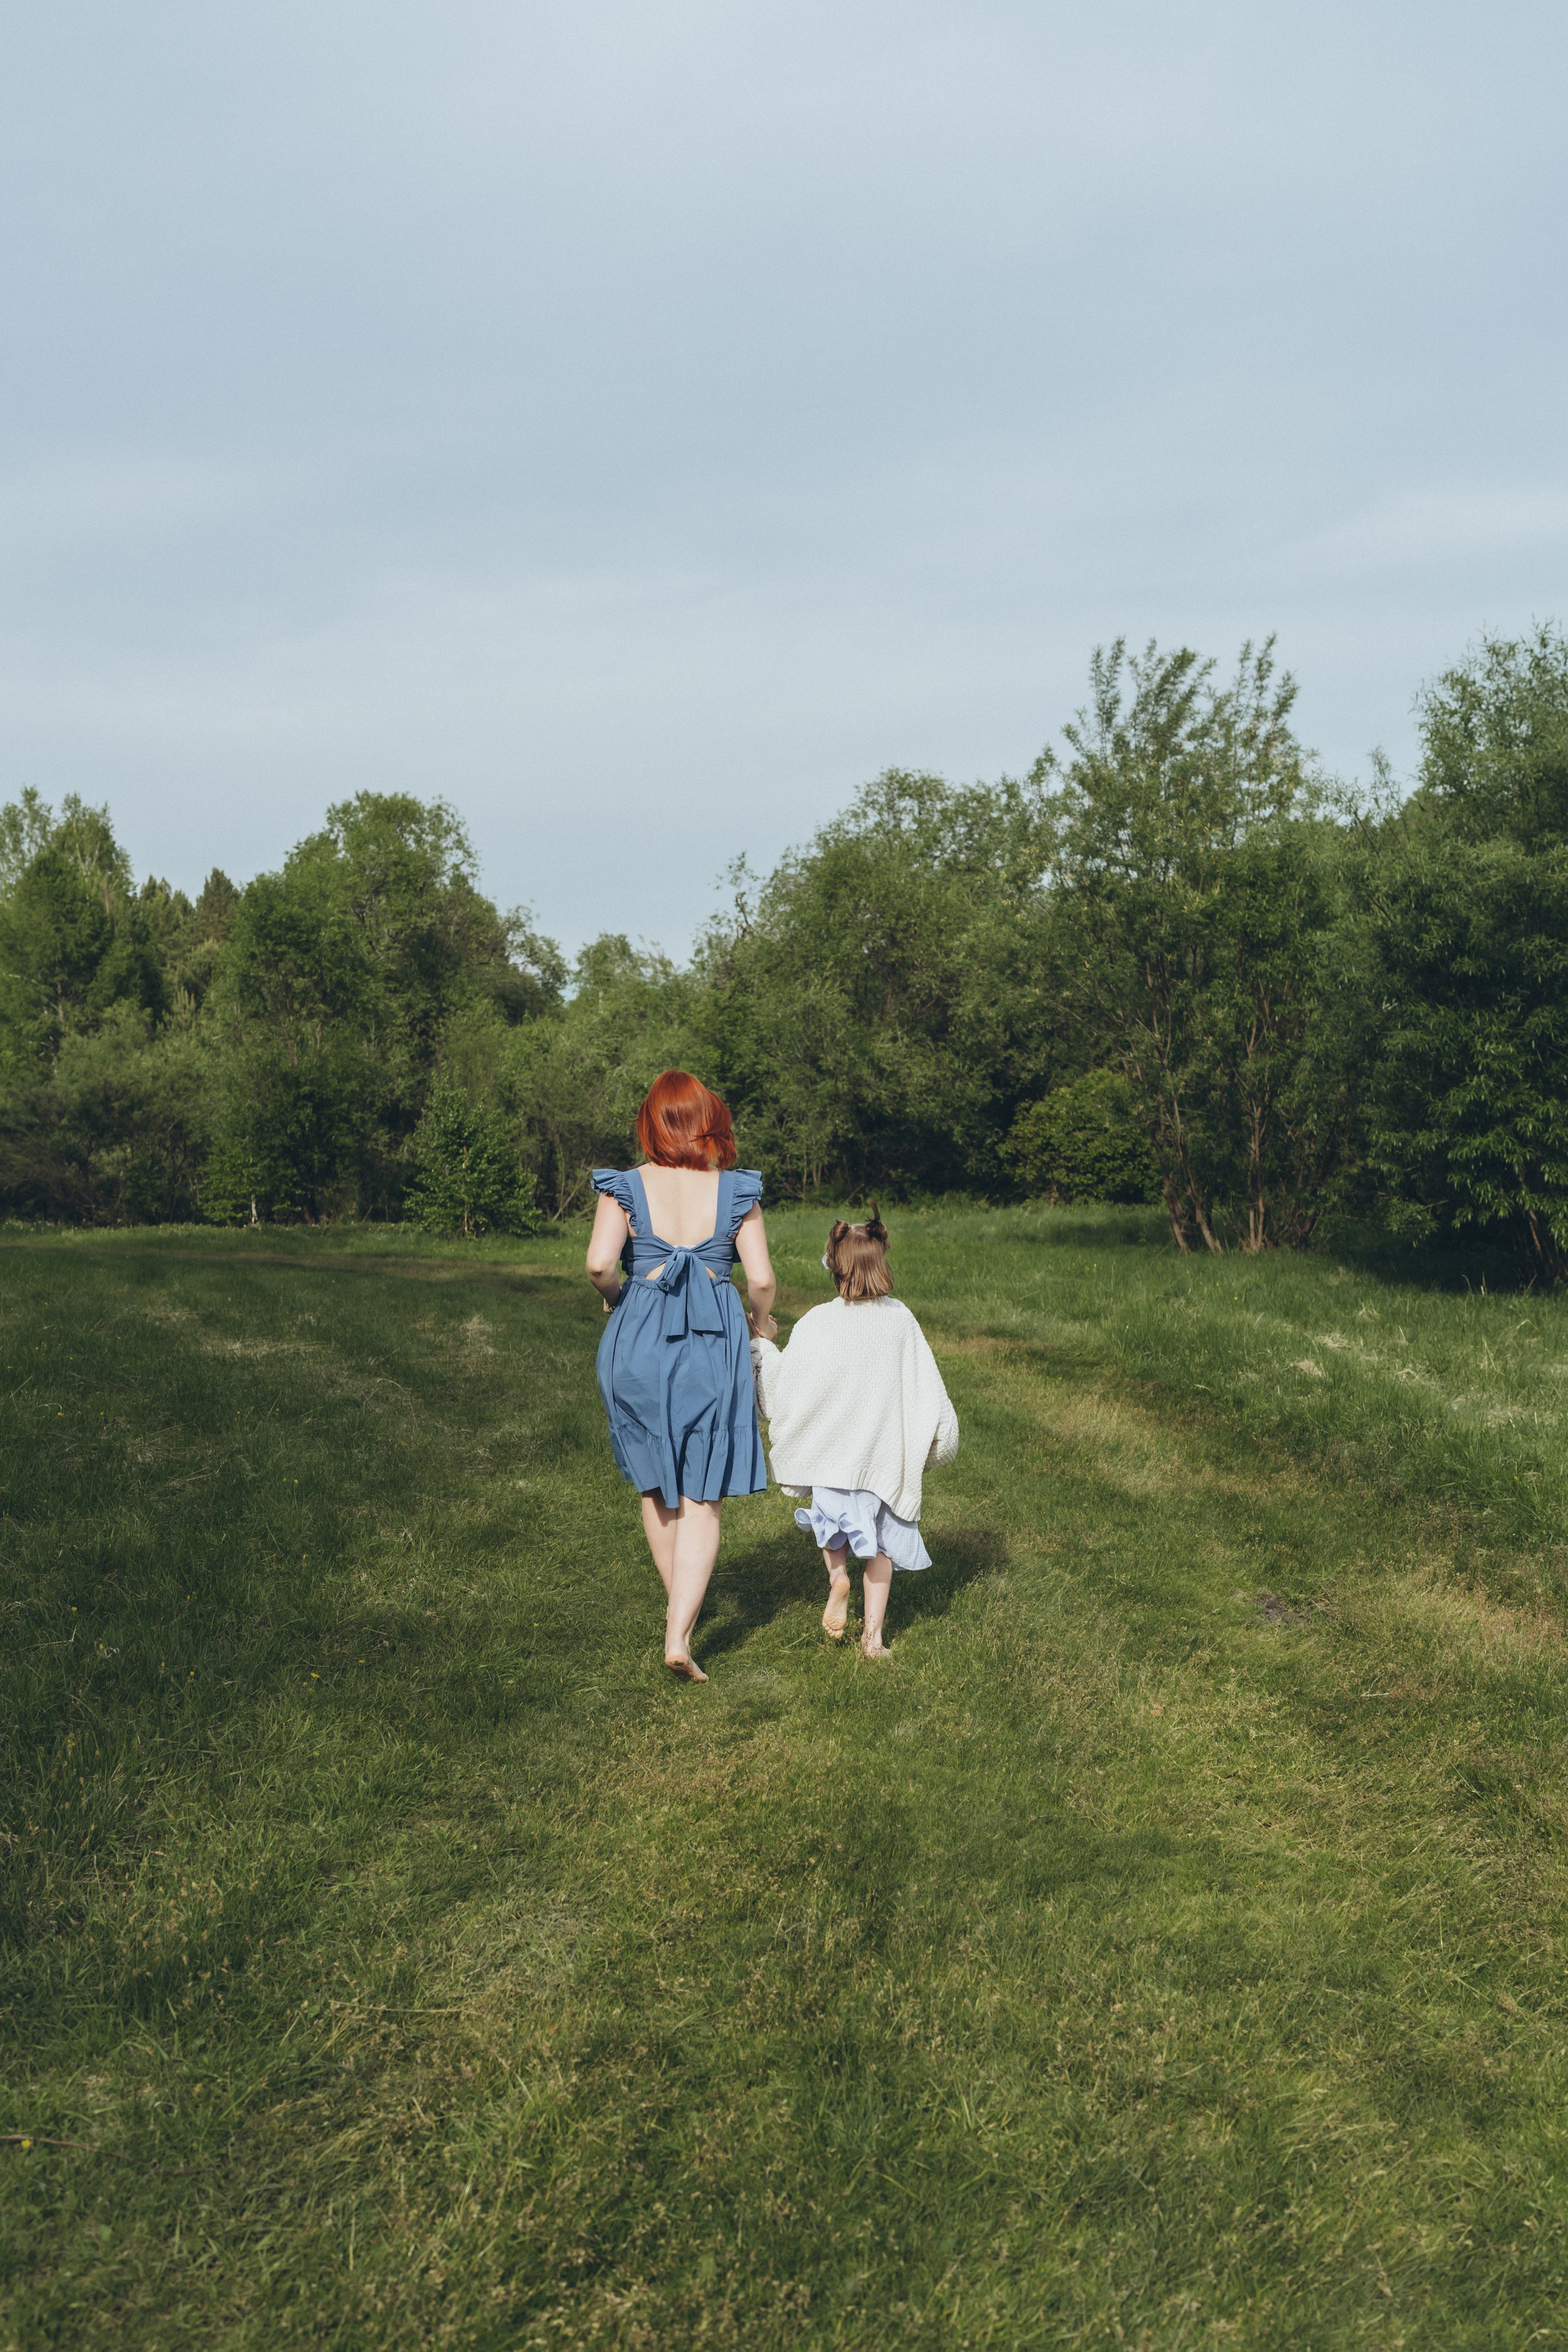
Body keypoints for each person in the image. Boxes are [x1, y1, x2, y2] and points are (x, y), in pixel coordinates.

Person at [586, 1071, 776, 1682]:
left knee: (657, 1484)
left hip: (638, 1334)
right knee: (704, 1491)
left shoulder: (623, 1186)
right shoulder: (738, 1190)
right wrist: (762, 1322)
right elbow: (762, 1280)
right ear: (708, 1122)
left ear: (652, 1124)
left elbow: (596, 1264)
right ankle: (678, 1632)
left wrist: (616, 1296)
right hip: (713, 1337)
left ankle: (680, 1625)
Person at [750, 1210, 958, 1660]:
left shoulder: (816, 1321)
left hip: (830, 1456)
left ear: (835, 1266)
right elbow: (923, 1384)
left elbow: (790, 1384)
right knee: (881, 1551)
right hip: (880, 1460)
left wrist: (763, 1346)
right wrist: (935, 1430)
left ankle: (836, 1577)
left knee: (835, 1532)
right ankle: (873, 1639)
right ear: (882, 1264)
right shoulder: (901, 1320)